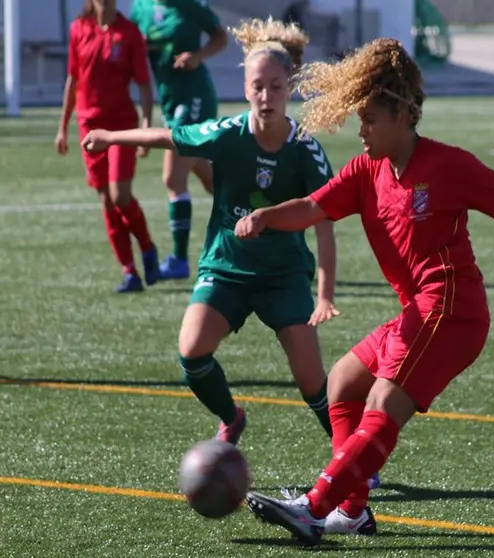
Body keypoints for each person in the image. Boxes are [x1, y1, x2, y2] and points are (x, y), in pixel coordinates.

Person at [235, 37, 494, 544]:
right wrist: (266, 217)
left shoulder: (448, 165)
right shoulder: (367, 170)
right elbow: (312, 208)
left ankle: (315, 507)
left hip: (452, 309)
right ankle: (352, 511)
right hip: (417, 312)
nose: (361, 130)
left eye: (371, 119)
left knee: (382, 399)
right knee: (342, 382)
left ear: (403, 115)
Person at [81, 18, 355, 462]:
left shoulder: (305, 148)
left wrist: (324, 295)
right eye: (257, 86)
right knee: (191, 352)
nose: (266, 96)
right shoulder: (228, 134)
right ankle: (231, 417)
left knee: (310, 382)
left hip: (283, 276)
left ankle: (350, 455)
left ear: (290, 89)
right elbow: (168, 137)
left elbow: (324, 222)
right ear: (245, 88)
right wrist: (112, 137)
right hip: (226, 269)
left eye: (276, 87)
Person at [56, 0, 159, 293]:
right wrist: (62, 128)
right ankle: (130, 271)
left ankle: (147, 245)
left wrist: (145, 127)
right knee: (105, 200)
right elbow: (73, 80)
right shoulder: (79, 28)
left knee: (119, 194)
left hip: (121, 127)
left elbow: (143, 84)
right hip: (88, 126)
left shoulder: (129, 33)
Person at [130, 0, 228, 280]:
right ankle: (257, 217)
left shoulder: (188, 6)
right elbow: (133, 46)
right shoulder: (141, 9)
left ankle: (178, 260)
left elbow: (220, 36)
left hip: (194, 95)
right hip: (170, 98)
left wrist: (198, 55)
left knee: (173, 178)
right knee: (213, 181)